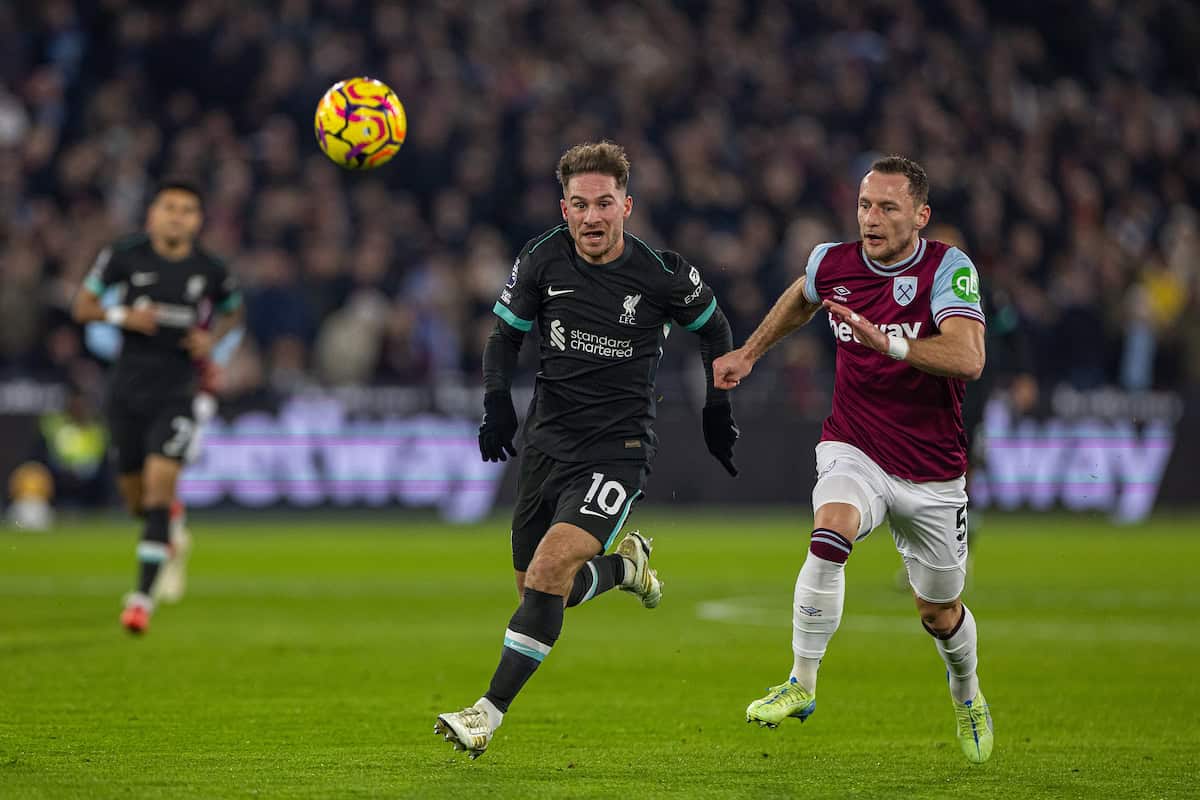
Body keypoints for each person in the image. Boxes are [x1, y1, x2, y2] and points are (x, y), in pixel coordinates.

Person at [435, 141, 740, 758]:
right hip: (548, 444)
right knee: (538, 592)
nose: (593, 217)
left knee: (549, 571)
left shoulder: (661, 274)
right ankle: (625, 569)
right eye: (580, 204)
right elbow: (503, 338)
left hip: (618, 449)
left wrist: (717, 407)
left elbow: (714, 328)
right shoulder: (542, 259)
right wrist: (497, 401)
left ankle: (485, 715)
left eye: (605, 203)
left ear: (626, 205)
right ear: (564, 207)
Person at [713, 156, 994, 764]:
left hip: (933, 470)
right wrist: (751, 352)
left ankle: (967, 693)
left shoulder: (948, 267)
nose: (873, 218)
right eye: (866, 205)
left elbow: (969, 357)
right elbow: (801, 296)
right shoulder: (831, 262)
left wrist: (887, 341)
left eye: (889, 208)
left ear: (920, 216)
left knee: (939, 611)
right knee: (830, 528)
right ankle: (802, 683)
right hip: (855, 446)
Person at [72, 178, 243, 635]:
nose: (177, 216)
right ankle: (172, 530)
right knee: (138, 501)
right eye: (169, 207)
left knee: (158, 488)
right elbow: (82, 306)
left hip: (177, 391)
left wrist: (213, 338)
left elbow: (234, 310)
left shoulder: (209, 268)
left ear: (198, 220)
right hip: (126, 390)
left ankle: (141, 600)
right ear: (152, 213)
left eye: (187, 209)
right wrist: (120, 315)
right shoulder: (123, 256)